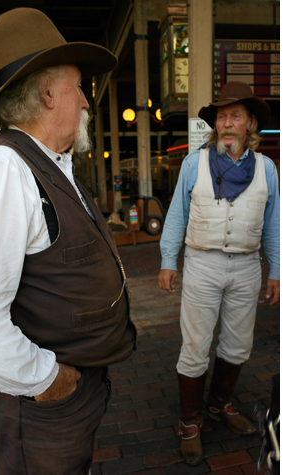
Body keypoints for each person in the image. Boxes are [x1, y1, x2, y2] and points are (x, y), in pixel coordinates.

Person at [0, 8, 136, 474]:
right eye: (78, 86)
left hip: (67, 400)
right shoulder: (1, 168)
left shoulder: (48, 163)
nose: (85, 102)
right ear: (48, 92)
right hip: (44, 407)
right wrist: (48, 380)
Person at [158, 81, 280, 466]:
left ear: (250, 124)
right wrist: (167, 260)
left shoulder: (267, 168)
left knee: (238, 345)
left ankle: (220, 404)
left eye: (235, 116)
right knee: (195, 347)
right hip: (202, 264)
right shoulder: (194, 163)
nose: (227, 123)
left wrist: (277, 269)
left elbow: (275, 223)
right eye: (222, 117)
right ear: (217, 125)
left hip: (246, 267)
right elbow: (176, 213)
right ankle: (189, 422)